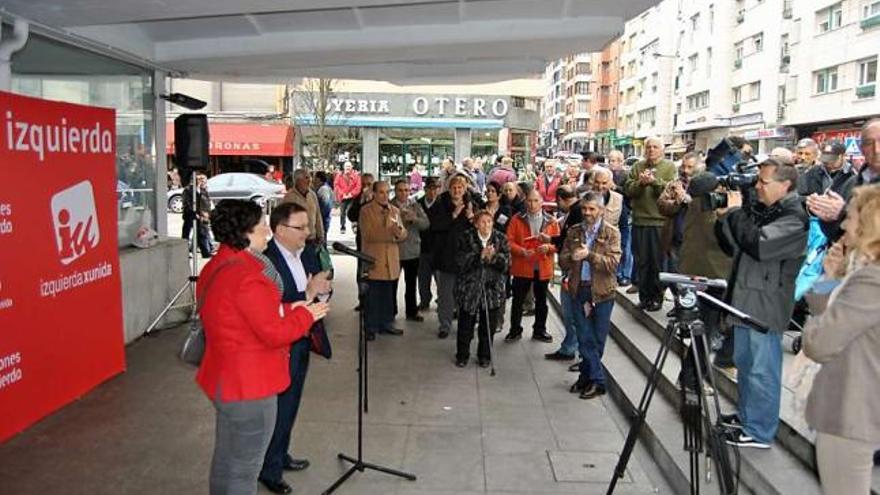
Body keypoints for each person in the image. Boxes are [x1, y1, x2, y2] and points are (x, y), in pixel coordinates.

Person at [196, 199, 328, 495]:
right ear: (244, 232)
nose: (267, 230)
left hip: (223, 377)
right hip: (249, 387)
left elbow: (245, 315)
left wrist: (291, 305)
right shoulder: (249, 275)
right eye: (261, 225)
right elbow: (273, 333)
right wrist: (306, 314)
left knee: (226, 459)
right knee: (244, 470)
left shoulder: (219, 265)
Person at [715, 158, 808, 449]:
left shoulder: (794, 216)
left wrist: (735, 212)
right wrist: (733, 212)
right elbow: (733, 242)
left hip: (765, 306)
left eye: (763, 182)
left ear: (786, 184)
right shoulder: (769, 209)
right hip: (747, 299)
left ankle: (759, 431)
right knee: (746, 364)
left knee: (762, 371)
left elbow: (758, 244)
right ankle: (747, 417)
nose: (757, 187)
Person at [804, 185, 880, 495]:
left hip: (850, 411)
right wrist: (830, 278)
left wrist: (813, 328)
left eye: (849, 218)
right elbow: (832, 315)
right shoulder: (863, 274)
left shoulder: (871, 280)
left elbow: (819, 343)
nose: (844, 225)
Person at [259, 203, 331, 495]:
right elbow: (271, 308)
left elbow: (319, 286)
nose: (307, 232)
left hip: (304, 338)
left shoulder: (309, 253)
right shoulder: (267, 262)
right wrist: (309, 293)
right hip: (281, 345)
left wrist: (323, 290)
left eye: (307, 226)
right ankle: (269, 469)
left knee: (292, 404)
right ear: (280, 229)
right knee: (279, 406)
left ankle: (281, 453)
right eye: (300, 227)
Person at [559, 192, 621, 399]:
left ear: (601, 210)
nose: (587, 213)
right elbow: (562, 260)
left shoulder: (612, 233)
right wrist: (572, 257)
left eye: (592, 209)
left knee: (597, 339)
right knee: (585, 337)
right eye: (585, 209)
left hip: (603, 292)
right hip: (579, 289)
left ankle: (587, 377)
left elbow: (612, 264)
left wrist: (590, 256)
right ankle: (598, 381)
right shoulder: (575, 231)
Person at [624, 137, 676, 312]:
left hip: (658, 223)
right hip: (639, 221)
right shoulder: (638, 166)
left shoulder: (669, 167)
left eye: (655, 147)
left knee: (657, 262)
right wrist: (640, 183)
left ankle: (657, 297)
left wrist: (654, 182)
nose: (651, 150)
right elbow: (628, 190)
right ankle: (644, 297)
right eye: (648, 147)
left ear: (662, 149)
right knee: (641, 261)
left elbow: (671, 191)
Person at [454, 210, 511, 367]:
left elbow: (507, 264)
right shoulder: (466, 237)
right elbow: (459, 262)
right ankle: (462, 355)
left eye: (489, 222)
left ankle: (484, 355)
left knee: (488, 326)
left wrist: (493, 258)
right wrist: (479, 256)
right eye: (482, 222)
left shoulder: (501, 238)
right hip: (470, 289)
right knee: (466, 324)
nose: (486, 225)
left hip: (492, 289)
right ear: (476, 224)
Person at [504, 189, 560, 343]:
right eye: (529, 200)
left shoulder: (551, 221)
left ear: (542, 202)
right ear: (525, 201)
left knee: (541, 301)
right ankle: (515, 330)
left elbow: (559, 243)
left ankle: (540, 330)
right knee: (518, 300)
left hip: (542, 266)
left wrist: (549, 248)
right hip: (523, 265)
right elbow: (508, 241)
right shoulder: (517, 219)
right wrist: (521, 251)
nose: (532, 204)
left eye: (536, 200)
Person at [428, 175, 477, 338]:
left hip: (466, 257)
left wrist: (471, 217)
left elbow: (481, 227)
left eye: (460, 188)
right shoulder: (440, 203)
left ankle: (465, 324)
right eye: (454, 187)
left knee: (465, 293)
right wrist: (453, 216)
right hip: (446, 255)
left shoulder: (472, 203)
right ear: (449, 189)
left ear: (465, 189)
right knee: (446, 294)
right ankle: (445, 324)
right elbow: (434, 226)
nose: (457, 191)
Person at [359, 181, 408, 339]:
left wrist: (399, 233)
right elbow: (368, 234)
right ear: (374, 193)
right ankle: (371, 327)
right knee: (373, 296)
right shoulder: (366, 211)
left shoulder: (394, 210)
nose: (385, 196)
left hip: (391, 260)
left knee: (388, 295)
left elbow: (402, 232)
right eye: (381, 192)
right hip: (375, 259)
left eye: (387, 192)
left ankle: (386, 323)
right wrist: (390, 232)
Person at [545, 184, 582, 362]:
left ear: (561, 199)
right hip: (571, 265)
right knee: (570, 311)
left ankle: (571, 347)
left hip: (574, 268)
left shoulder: (576, 213)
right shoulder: (574, 211)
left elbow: (569, 241)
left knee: (571, 311)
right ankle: (570, 345)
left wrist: (552, 241)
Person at [391, 179, 429, 322]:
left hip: (412, 250)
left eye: (406, 190)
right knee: (392, 284)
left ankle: (412, 311)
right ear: (395, 191)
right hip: (394, 251)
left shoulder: (415, 206)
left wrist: (415, 219)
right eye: (400, 190)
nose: (404, 193)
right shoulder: (389, 206)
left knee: (411, 283)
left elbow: (426, 224)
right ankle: (391, 311)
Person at [657, 153, 701, 275]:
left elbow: (702, 208)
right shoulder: (674, 185)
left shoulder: (704, 185)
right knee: (673, 273)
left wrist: (686, 198)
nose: (686, 171)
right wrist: (677, 202)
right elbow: (662, 205)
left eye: (690, 167)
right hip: (675, 238)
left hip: (695, 240)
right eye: (684, 167)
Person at [282, 169, 325, 271]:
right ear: (297, 180)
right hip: (297, 242)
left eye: (309, 177)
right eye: (306, 177)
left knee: (315, 270)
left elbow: (318, 215)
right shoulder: (289, 197)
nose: (309, 180)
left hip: (312, 240)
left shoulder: (312, 195)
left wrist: (321, 234)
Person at [416, 177, 441, 310]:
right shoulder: (418, 204)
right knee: (423, 277)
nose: (433, 192)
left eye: (436, 188)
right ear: (425, 189)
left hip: (438, 248)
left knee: (440, 279)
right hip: (423, 247)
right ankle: (424, 300)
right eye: (430, 188)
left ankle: (441, 300)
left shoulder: (443, 204)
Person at [182, 172, 213, 258]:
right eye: (198, 179)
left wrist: (206, 213)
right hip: (190, 215)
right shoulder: (188, 190)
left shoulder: (202, 190)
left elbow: (206, 203)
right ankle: (185, 252)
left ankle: (205, 252)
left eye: (201, 179)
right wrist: (194, 213)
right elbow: (187, 203)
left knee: (201, 233)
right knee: (186, 235)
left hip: (201, 215)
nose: (200, 181)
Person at [334, 161, 361, 234]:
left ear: (352, 167)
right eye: (346, 166)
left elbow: (358, 187)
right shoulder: (339, 176)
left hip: (352, 197)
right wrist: (343, 194)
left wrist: (351, 194)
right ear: (344, 167)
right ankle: (342, 226)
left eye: (349, 166)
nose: (348, 168)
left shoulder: (356, 176)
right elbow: (336, 186)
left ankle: (354, 226)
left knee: (352, 211)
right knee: (342, 212)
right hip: (343, 197)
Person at [313, 171, 334, 238]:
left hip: (323, 219)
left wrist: (319, 215)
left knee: (321, 238)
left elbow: (326, 205)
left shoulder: (323, 189)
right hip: (323, 218)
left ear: (318, 179)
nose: (313, 179)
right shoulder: (323, 188)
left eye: (315, 177)